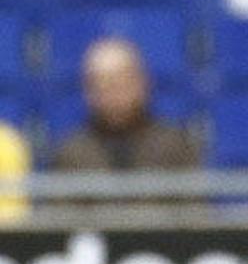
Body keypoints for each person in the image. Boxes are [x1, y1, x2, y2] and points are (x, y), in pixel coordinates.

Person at [52, 37, 199, 171]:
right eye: (100, 86)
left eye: (118, 84)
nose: (111, 96)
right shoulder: (72, 153)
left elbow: (195, 198)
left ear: (142, 83)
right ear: (87, 92)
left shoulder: (174, 147)